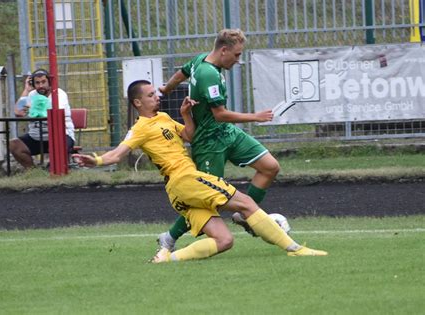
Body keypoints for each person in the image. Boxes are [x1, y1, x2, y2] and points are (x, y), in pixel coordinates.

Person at [73, 80, 327, 263]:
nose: (157, 96)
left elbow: (189, 136)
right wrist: (94, 161)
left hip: (178, 190)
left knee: (224, 241)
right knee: (247, 203)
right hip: (185, 179)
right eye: (151, 94)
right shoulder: (140, 128)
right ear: (138, 102)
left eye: (155, 93)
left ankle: (166, 259)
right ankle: (294, 248)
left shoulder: (163, 118)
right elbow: (117, 154)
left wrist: (186, 115)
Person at [157, 28, 281, 250]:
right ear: (224, 50)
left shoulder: (199, 60)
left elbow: (181, 74)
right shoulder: (209, 74)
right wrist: (256, 117)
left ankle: (244, 216)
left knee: (270, 167)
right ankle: (169, 236)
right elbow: (220, 114)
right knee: (206, 198)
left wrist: (166, 89)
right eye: (237, 55)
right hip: (209, 142)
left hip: (228, 133)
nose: (238, 60)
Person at [9, 69, 75, 169]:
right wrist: (27, 90)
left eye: (43, 82)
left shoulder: (59, 94)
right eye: (37, 83)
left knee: (58, 147)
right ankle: (33, 172)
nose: (40, 86)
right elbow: (18, 112)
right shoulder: (31, 94)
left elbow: (52, 113)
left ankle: (57, 171)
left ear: (49, 82)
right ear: (33, 84)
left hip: (60, 135)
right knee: (14, 144)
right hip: (36, 136)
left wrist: (32, 108)